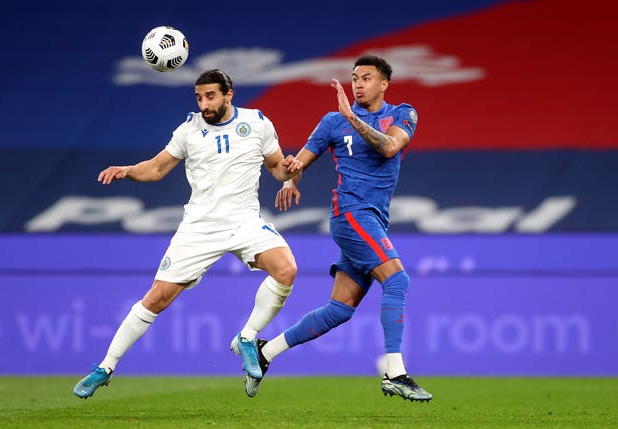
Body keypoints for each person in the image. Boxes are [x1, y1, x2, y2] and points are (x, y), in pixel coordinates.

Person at [73, 69, 303, 399]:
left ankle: (247, 338)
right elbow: (156, 168)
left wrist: (289, 175)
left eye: (210, 96)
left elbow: (278, 166)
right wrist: (127, 171)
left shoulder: (257, 123)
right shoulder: (188, 131)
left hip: (244, 221)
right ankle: (105, 367)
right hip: (199, 227)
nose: (204, 103)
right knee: (156, 298)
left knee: (287, 269)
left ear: (229, 95)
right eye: (199, 97)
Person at [239, 55, 433, 402]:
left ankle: (265, 353)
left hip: (373, 217)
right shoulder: (331, 121)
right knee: (398, 280)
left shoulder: (403, 113)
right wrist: (291, 177)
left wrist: (351, 118)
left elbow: (390, 147)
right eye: (354, 77)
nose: (358, 83)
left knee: (339, 309)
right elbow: (300, 159)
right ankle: (396, 373)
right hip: (350, 214)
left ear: (384, 83)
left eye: (366, 78)